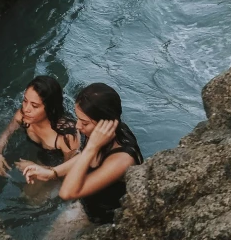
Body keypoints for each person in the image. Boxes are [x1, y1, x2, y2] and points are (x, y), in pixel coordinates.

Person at [21, 82, 143, 225]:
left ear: (105, 123)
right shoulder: (101, 133)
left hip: (103, 218)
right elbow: (85, 156)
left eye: (84, 123)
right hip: (87, 199)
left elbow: (67, 193)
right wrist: (53, 172)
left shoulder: (122, 159)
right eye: (78, 119)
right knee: (29, 199)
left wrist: (92, 146)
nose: (78, 126)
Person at [0, 75, 79, 177]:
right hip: (39, 154)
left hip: (54, 157)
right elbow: (6, 134)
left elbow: (70, 170)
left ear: (50, 108)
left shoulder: (66, 135)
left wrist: (39, 169)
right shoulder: (23, 116)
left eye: (34, 106)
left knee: (31, 190)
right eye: (25, 101)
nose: (26, 109)